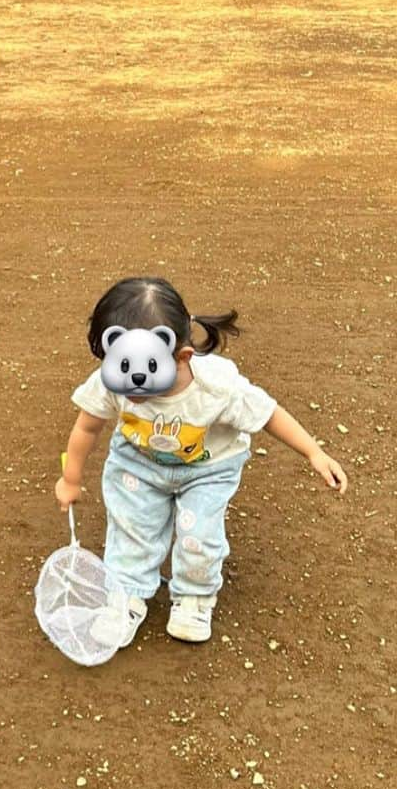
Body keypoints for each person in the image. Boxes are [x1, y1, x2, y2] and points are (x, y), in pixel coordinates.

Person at [55, 277, 347, 649]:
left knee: (198, 533)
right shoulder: (116, 379)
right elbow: (88, 425)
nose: (130, 386)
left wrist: (314, 452)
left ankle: (194, 596)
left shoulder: (217, 387)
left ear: (182, 357)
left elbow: (268, 413)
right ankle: (125, 593)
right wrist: (70, 477)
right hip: (139, 464)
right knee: (132, 526)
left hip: (208, 469)